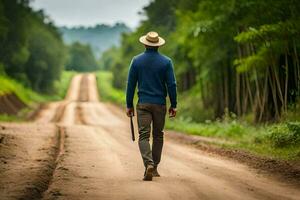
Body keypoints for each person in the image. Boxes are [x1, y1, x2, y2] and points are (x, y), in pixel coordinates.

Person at [126, 31, 177, 181]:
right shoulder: (166, 62)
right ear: (158, 45)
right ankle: (154, 168)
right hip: (160, 104)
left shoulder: (136, 61)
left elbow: (131, 84)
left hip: (143, 104)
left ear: (145, 43)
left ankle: (148, 163)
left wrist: (129, 104)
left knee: (143, 135)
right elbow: (172, 85)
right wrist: (174, 104)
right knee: (158, 135)